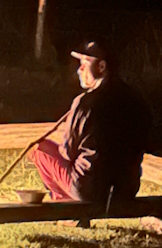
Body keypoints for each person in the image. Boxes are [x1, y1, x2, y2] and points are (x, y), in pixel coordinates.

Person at [30, 41, 153, 223]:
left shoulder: (85, 103)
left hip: (89, 188)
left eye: (84, 64)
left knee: (39, 150)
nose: (79, 70)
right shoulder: (137, 100)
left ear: (102, 67)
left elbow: (68, 153)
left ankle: (68, 210)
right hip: (127, 187)